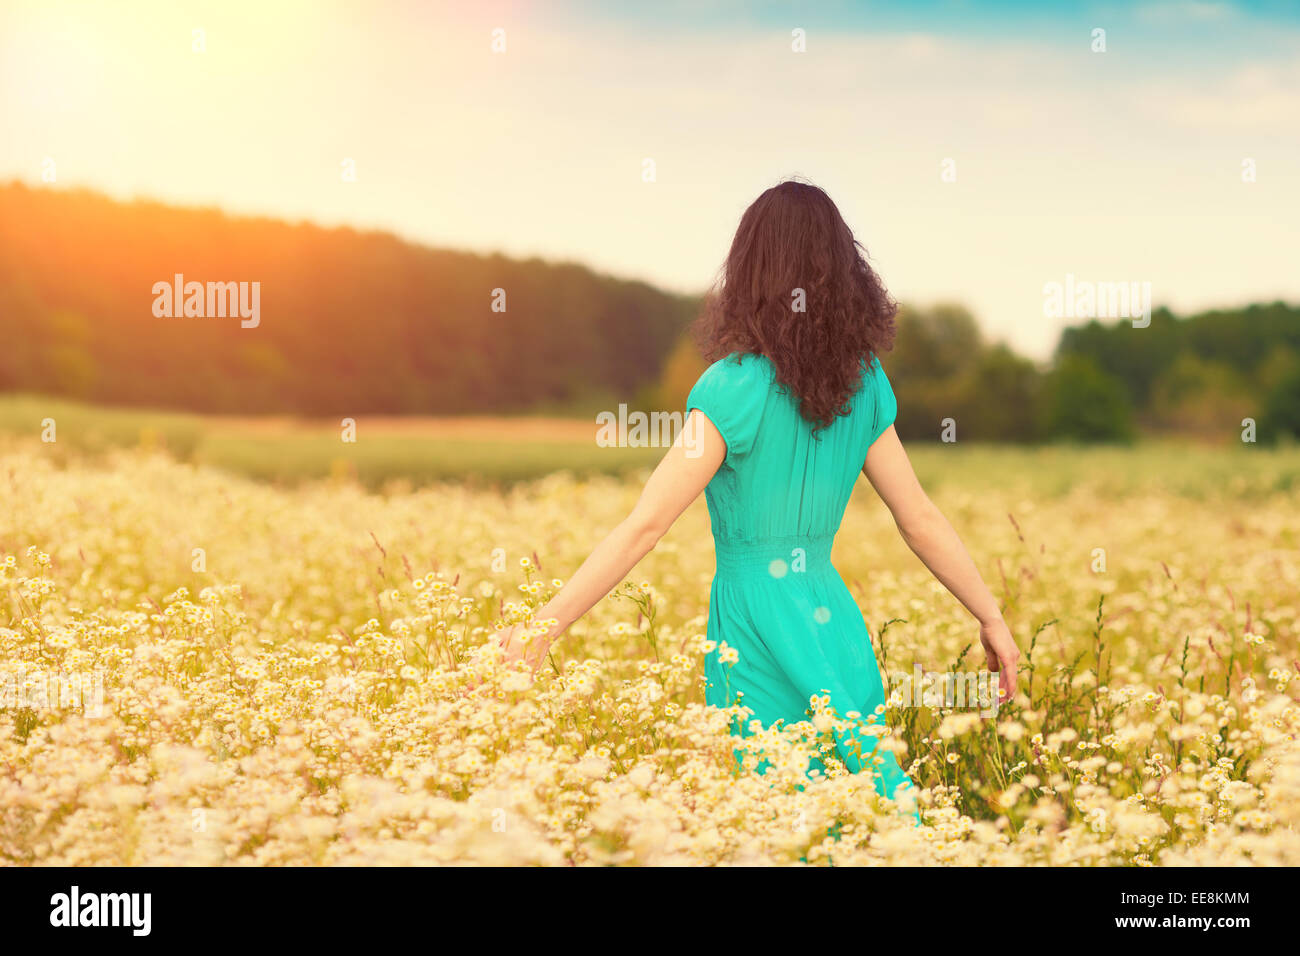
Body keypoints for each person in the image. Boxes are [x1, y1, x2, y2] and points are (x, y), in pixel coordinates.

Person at [492, 179, 1019, 808]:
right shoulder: (866, 386)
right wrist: (990, 616)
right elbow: (919, 517)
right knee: (863, 814)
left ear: (750, 271)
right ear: (845, 272)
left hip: (756, 627)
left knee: (782, 820)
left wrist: (541, 630)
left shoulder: (728, 390)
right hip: (833, 624)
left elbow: (645, 526)